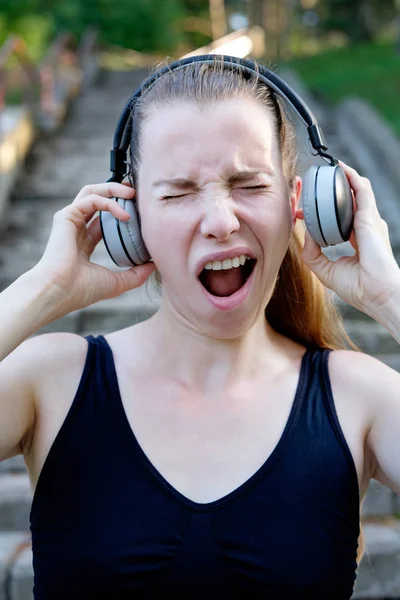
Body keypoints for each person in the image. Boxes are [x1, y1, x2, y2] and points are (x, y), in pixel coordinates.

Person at [0, 55, 399, 600]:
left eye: (248, 184)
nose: (219, 221)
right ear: (131, 222)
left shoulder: (361, 397)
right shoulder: (50, 381)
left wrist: (389, 295)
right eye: (178, 192)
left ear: (300, 203)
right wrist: (41, 289)